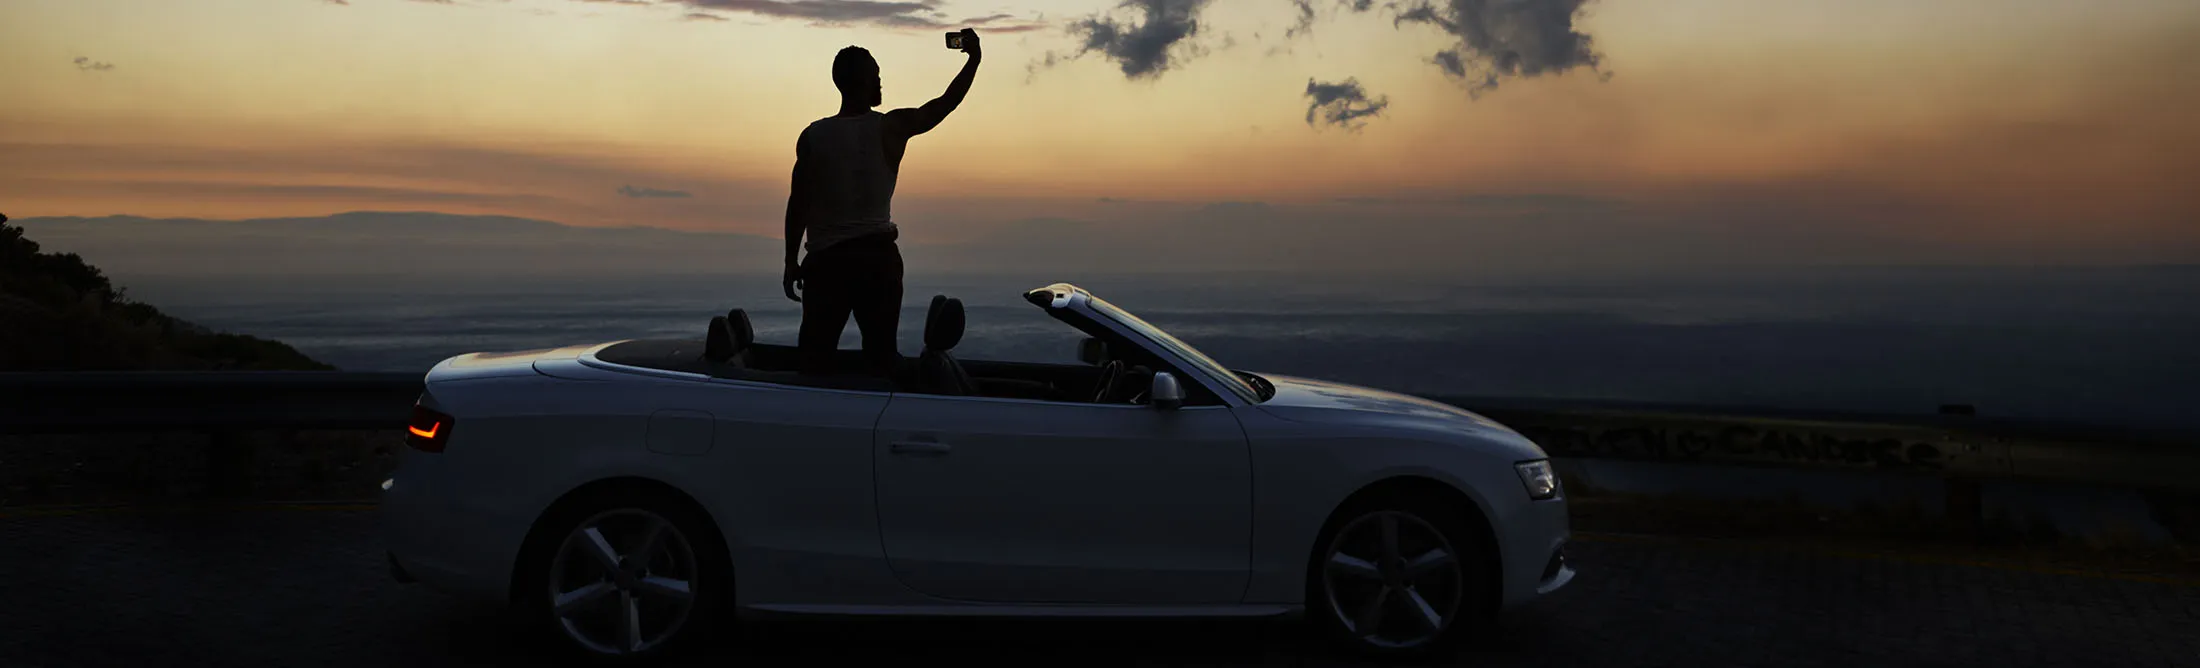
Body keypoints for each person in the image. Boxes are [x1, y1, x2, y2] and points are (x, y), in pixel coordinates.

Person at [784, 29, 983, 376]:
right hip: (876, 261)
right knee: (881, 358)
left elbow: (798, 203)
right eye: (875, 75)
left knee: (814, 360)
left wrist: (790, 260)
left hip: (826, 264)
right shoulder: (891, 127)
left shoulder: (813, 136)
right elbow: (944, 104)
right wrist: (974, 61)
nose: (880, 81)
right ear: (863, 81)